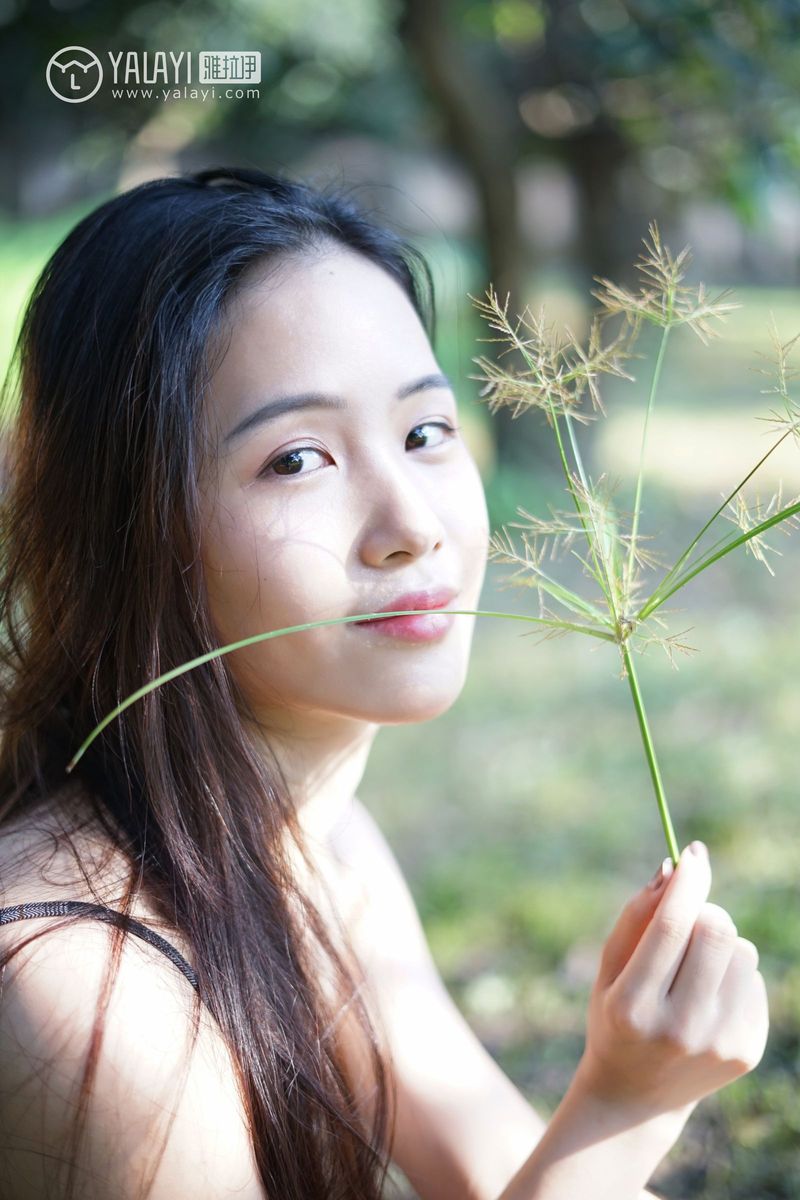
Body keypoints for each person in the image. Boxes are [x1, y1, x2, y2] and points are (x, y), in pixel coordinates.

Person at [0, 165, 767, 1200]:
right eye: (298, 459)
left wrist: (623, 1099)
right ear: (131, 527)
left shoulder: (315, 848)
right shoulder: (83, 991)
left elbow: (500, 1174)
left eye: (423, 433)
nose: (414, 526)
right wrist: (622, 1112)